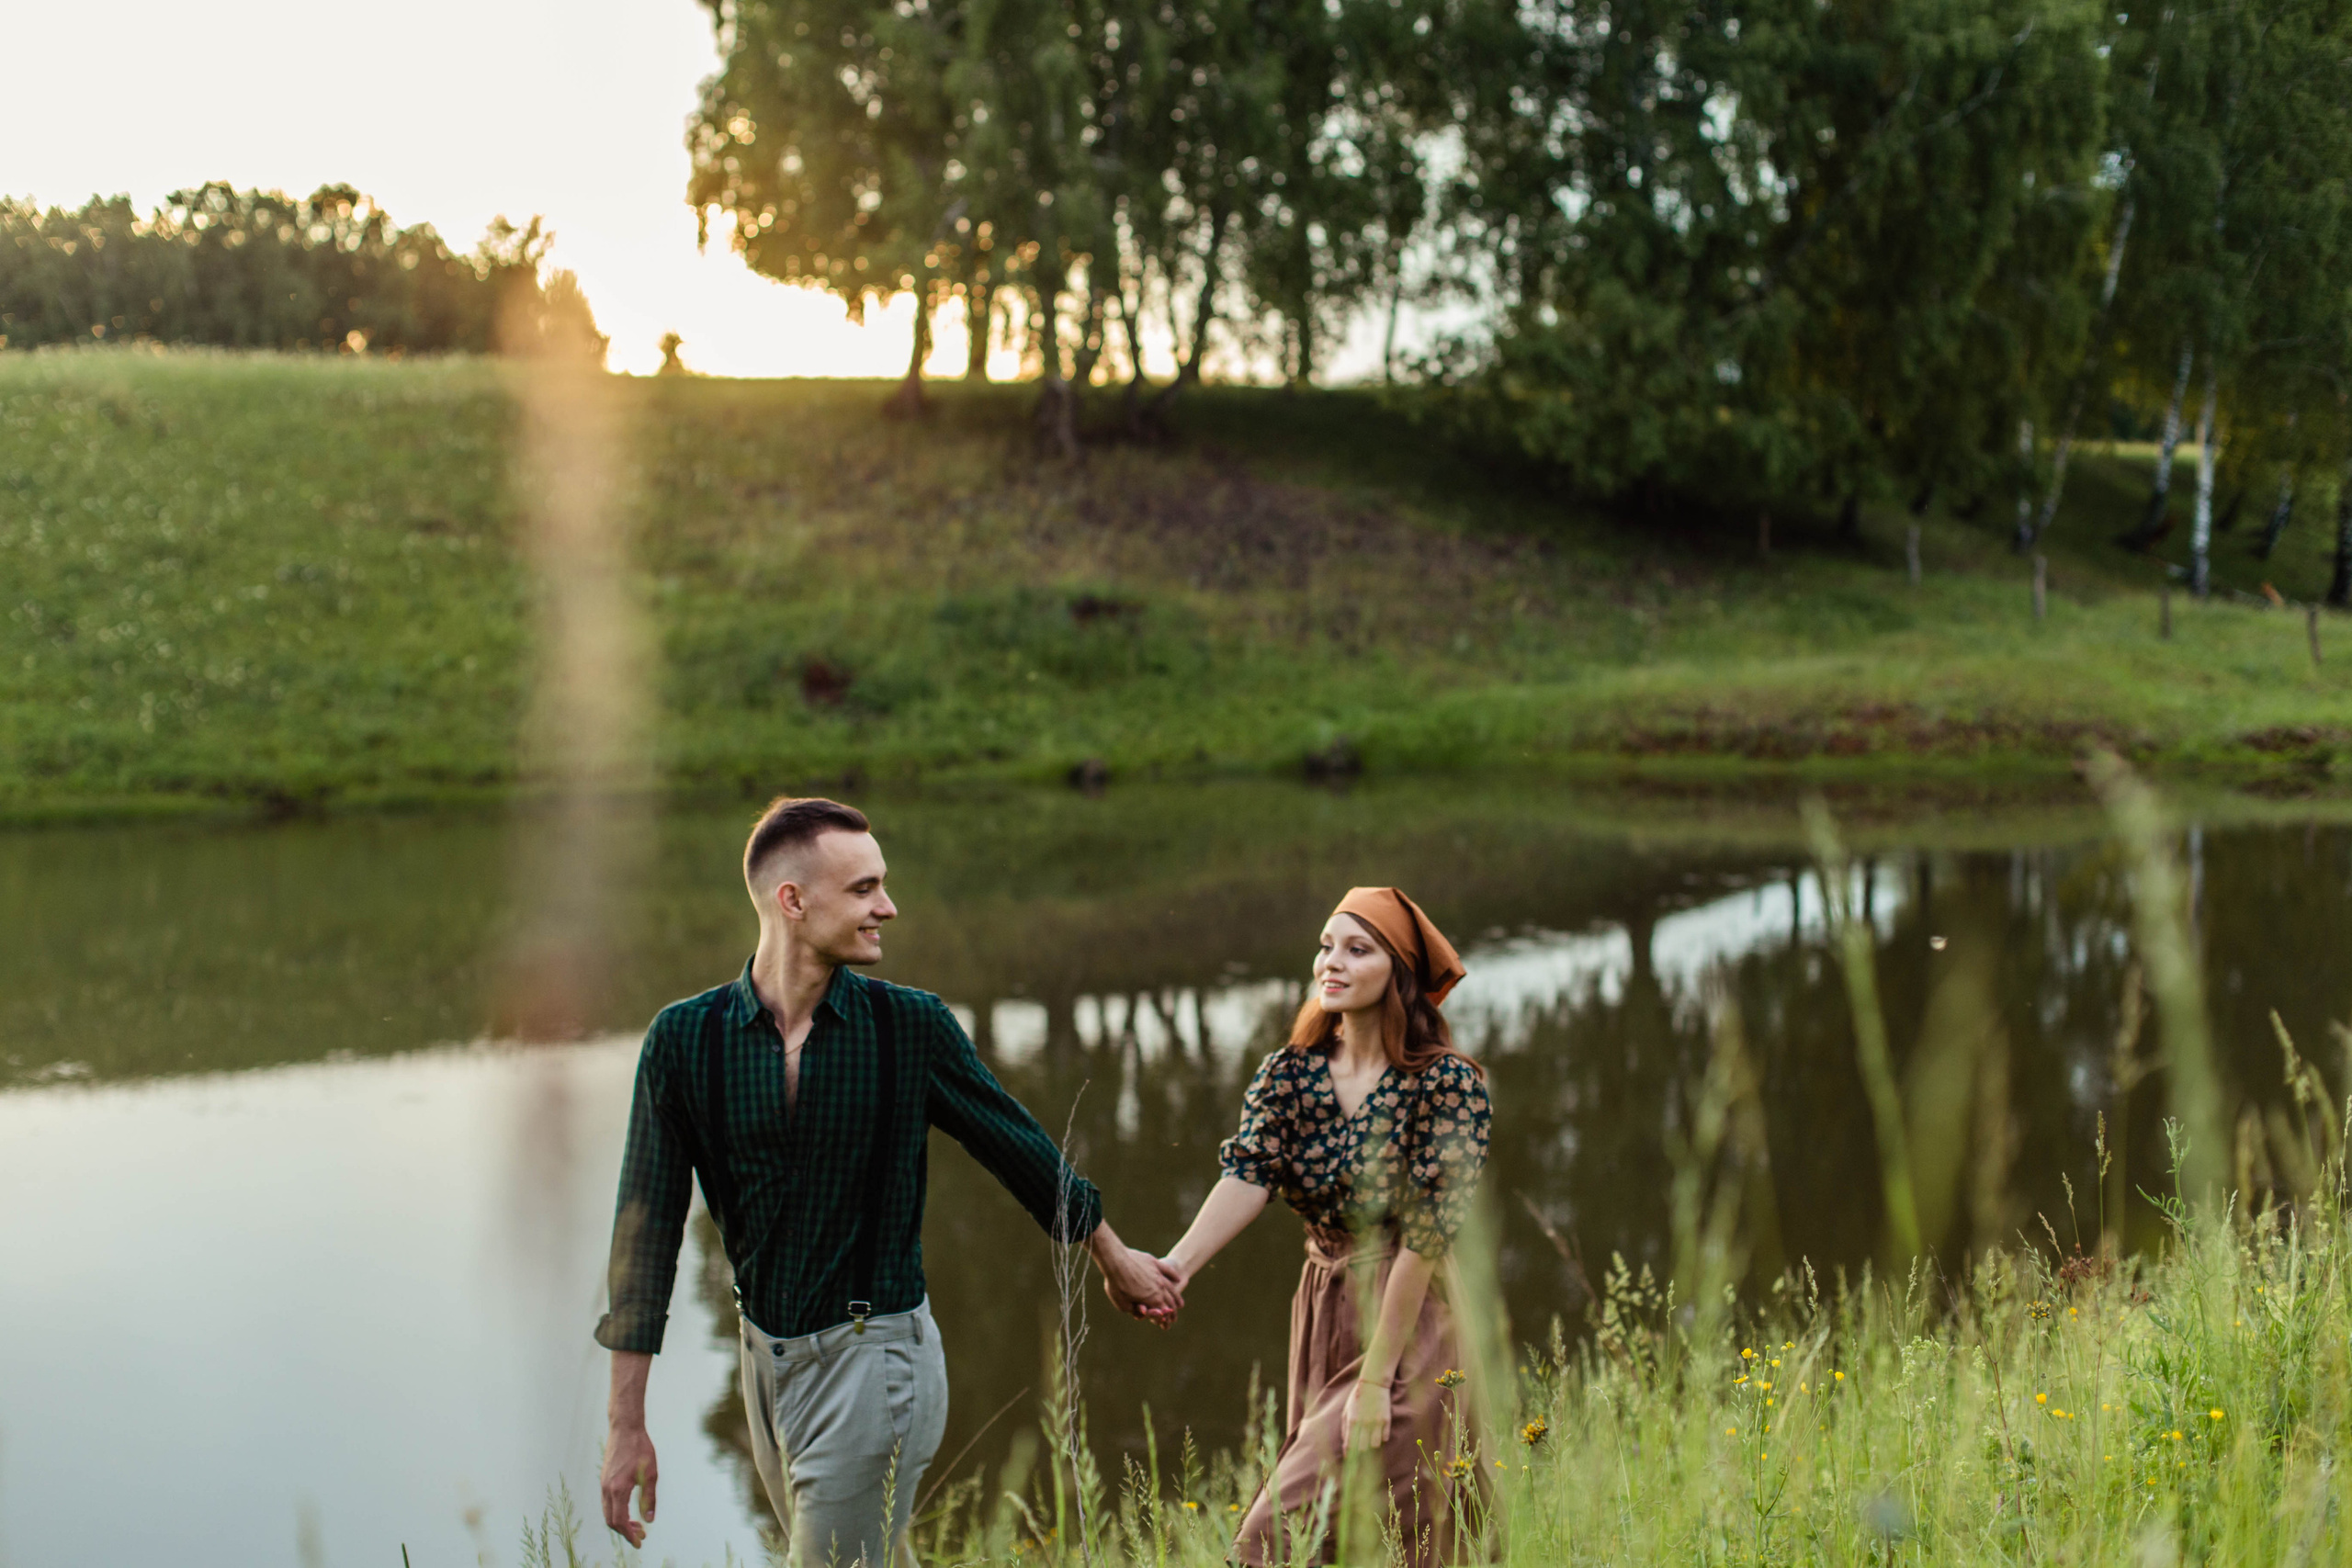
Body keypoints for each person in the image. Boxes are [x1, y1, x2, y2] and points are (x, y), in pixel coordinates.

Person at [594, 796, 1182, 1564]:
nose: (888, 906)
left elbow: (1019, 1146)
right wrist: (625, 1422)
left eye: (884, 884)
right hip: (764, 1362)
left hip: (877, 1361)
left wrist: (1113, 1253)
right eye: (865, 888)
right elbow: (645, 1234)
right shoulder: (684, 1041)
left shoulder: (909, 1028)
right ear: (793, 900)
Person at [1158, 886, 1491, 1567]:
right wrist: (1176, 1267)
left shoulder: (1447, 1084)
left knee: (1297, 1536)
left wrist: (1376, 1378)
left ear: (1398, 972)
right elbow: (1248, 1173)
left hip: (1413, 1316)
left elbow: (1427, 1234)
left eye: (1356, 949)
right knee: (1327, 1536)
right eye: (1325, 945)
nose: (1329, 963)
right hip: (1323, 1303)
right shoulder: (1290, 1072)